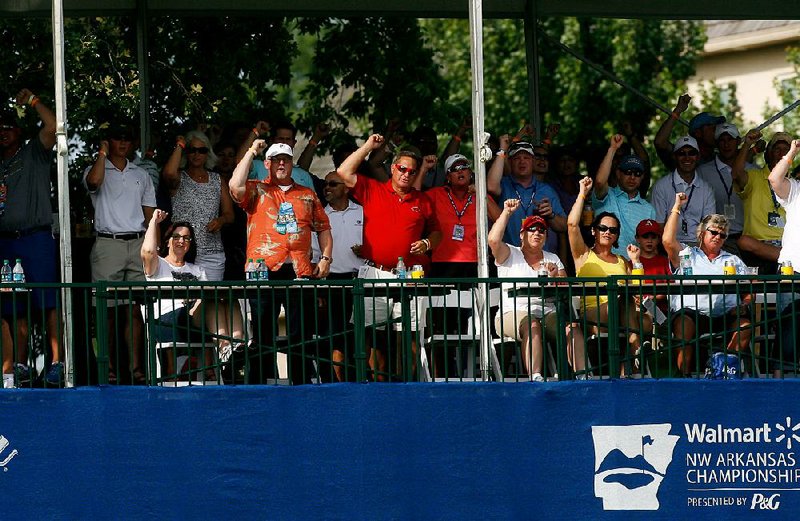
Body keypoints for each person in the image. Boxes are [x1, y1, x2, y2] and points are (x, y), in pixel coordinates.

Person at [336, 134, 441, 381]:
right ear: (393, 168)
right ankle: (380, 390)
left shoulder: (423, 200)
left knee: (410, 336)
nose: (406, 174)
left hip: (411, 275)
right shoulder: (373, 189)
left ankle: (404, 387)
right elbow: (342, 172)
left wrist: (427, 243)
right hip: (376, 272)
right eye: (402, 168)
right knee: (372, 337)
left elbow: (437, 232)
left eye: (412, 171)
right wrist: (368, 147)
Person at [229, 139, 332, 384]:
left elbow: (324, 228)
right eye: (276, 160)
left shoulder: (307, 194)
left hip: (298, 267)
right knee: (263, 332)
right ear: (267, 164)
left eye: (286, 159)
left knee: (301, 332)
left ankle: (301, 385)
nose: (281, 164)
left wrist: (326, 257)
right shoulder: (257, 189)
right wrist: (252, 150)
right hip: (262, 269)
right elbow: (235, 184)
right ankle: (261, 386)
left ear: (292, 163)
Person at [84, 121, 156, 385]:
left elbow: (150, 217)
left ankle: (136, 371)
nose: (123, 142)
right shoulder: (96, 168)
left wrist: (152, 246)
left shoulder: (141, 173)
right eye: (117, 137)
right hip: (108, 243)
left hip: (137, 243)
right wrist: (102, 154)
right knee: (106, 311)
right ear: (108, 141)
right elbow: (93, 182)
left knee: (135, 310)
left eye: (127, 137)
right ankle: (109, 370)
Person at [0, 89, 62, 386]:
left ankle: (57, 362)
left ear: (19, 131)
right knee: (13, 305)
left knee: (47, 301)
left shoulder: (33, 151)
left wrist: (34, 101)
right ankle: (20, 366)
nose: (4, 132)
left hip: (35, 236)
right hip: (6, 241)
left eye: (9, 127)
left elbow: (52, 126)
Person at [489, 200, 587, 381]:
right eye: (532, 229)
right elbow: (493, 240)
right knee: (532, 324)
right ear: (522, 234)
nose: (537, 233)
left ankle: (583, 377)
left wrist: (555, 276)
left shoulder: (553, 258)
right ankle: (536, 377)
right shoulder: (510, 253)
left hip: (548, 311)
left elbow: (565, 289)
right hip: (512, 313)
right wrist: (507, 212)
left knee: (571, 328)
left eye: (541, 230)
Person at [662, 193, 751, 377]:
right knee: (684, 325)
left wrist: (745, 304)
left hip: (725, 315)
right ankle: (683, 377)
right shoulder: (687, 254)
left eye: (722, 234)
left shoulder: (733, 260)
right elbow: (667, 241)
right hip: (692, 315)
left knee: (745, 325)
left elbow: (749, 289)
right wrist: (677, 205)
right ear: (702, 233)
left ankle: (723, 369)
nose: (718, 237)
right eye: (714, 232)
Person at [569, 177, 651, 375]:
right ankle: (635, 347)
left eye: (613, 230)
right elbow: (572, 225)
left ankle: (625, 371)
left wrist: (637, 261)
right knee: (623, 300)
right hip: (593, 316)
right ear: (593, 231)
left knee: (645, 318)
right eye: (603, 228)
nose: (607, 232)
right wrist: (582, 193)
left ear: (617, 236)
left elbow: (637, 288)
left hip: (621, 314)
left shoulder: (623, 260)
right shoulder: (583, 254)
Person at [141, 210, 223, 382]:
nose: (181, 241)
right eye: (176, 236)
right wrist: (153, 223)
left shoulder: (197, 269)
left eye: (186, 238)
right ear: (168, 240)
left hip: (194, 321)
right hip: (164, 322)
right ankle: (221, 350)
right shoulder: (159, 264)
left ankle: (228, 345)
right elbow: (148, 251)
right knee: (208, 302)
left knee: (224, 300)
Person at [311, 171, 364, 382]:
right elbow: (315, 255)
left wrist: (369, 249)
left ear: (347, 187)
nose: (327, 188)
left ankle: (363, 384)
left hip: (361, 281)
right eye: (325, 185)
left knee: (363, 338)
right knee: (335, 339)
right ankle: (338, 388)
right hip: (331, 283)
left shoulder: (363, 212)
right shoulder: (319, 216)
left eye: (333, 184)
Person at [162, 130, 234, 280]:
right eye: (191, 150)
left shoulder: (217, 179)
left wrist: (221, 220)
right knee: (183, 300)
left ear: (208, 153)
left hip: (212, 252)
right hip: (183, 250)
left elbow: (230, 215)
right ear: (185, 153)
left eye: (202, 150)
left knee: (211, 299)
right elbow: (168, 173)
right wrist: (180, 145)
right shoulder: (179, 178)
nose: (197, 154)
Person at [488, 138, 566, 253]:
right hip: (509, 256)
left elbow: (564, 226)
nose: (522, 162)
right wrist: (502, 150)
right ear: (510, 162)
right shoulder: (504, 184)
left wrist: (551, 215)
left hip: (539, 257)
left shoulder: (546, 190)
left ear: (533, 162)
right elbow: (490, 186)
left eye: (526, 158)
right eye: (517, 158)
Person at [732, 129, 792, 274]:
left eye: (786, 151)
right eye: (777, 149)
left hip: (787, 246)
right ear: (768, 154)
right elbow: (736, 174)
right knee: (744, 241)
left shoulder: (794, 185)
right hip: (758, 248)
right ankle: (785, 256)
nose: (782, 154)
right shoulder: (754, 177)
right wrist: (747, 144)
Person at [765, 138, 800, 377]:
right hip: (793, 269)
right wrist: (792, 152)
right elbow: (774, 179)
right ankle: (779, 390)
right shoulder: (796, 190)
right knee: (788, 329)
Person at [592, 134, 656, 258]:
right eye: (627, 172)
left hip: (633, 268)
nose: (632, 177)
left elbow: (650, 244)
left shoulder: (649, 209)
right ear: (618, 173)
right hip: (604, 267)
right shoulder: (607, 195)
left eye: (637, 174)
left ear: (642, 177)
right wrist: (612, 149)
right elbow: (600, 181)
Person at [650, 136, 716, 245]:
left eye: (692, 153)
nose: (687, 157)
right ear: (674, 156)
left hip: (698, 246)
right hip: (669, 245)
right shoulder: (661, 186)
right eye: (681, 153)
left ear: (698, 157)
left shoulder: (706, 189)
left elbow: (708, 226)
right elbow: (658, 226)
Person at [696, 123, 749, 255]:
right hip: (719, 238)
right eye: (722, 140)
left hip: (748, 238)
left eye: (730, 139)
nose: (726, 144)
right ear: (716, 144)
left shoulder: (752, 170)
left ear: (738, 141)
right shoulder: (702, 171)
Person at [654, 93, 725, 168]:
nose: (718, 131)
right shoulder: (682, 157)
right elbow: (660, 142)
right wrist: (678, 110)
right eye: (712, 128)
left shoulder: (721, 158)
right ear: (698, 133)